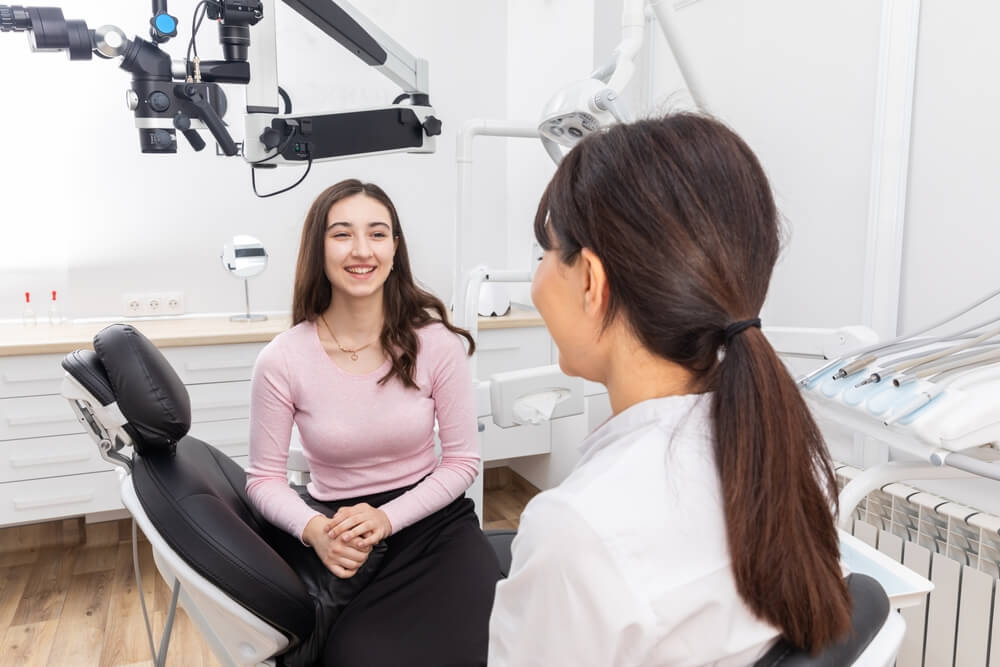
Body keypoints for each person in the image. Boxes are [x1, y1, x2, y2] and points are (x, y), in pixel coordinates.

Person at [488, 114, 852, 666]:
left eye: (545, 254)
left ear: (590, 281)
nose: (538, 281)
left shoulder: (577, 532)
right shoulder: (788, 454)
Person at [246, 179, 499, 666]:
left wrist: (387, 518)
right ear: (318, 248)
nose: (362, 250)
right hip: (342, 540)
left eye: (377, 234)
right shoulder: (282, 359)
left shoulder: (435, 344)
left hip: (433, 528)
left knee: (481, 647)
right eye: (342, 234)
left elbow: (462, 461)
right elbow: (263, 479)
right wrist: (315, 530)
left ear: (395, 247)